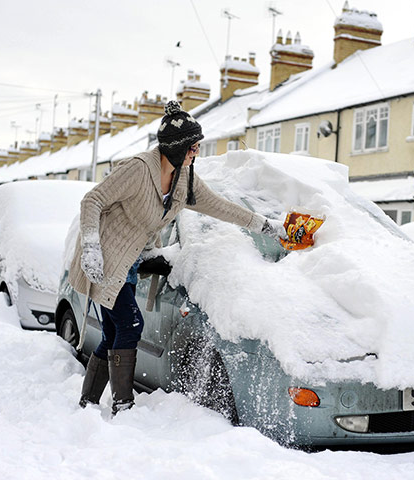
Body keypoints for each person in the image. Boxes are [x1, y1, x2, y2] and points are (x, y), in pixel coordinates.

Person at [69, 100, 285, 415]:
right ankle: (123, 405)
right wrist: (90, 245)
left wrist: (267, 227)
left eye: (197, 146)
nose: (196, 152)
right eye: (192, 147)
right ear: (175, 147)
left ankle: (88, 403)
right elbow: (93, 200)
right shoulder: (138, 169)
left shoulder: (185, 178)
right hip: (103, 258)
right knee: (130, 324)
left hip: (130, 261)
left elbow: (220, 206)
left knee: (115, 332)